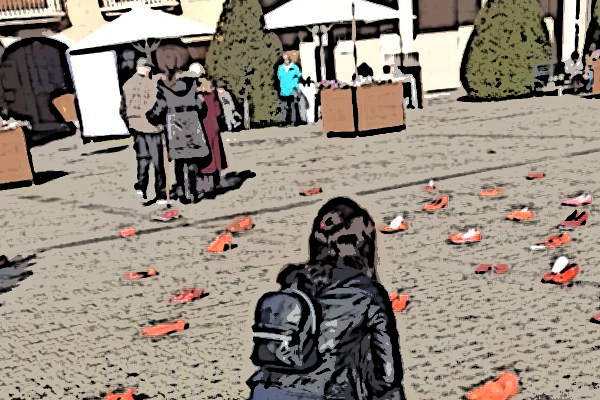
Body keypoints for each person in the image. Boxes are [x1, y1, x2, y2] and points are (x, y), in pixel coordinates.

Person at [247, 197, 407, 400]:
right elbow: (387, 376)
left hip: (264, 391)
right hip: (321, 395)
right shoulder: (369, 292)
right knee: (391, 393)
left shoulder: (293, 283)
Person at [146, 65, 211, 205]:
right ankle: (193, 192)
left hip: (175, 130)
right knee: (192, 160)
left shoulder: (165, 90)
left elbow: (157, 111)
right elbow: (202, 108)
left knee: (179, 162)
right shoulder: (193, 88)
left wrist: (151, 117)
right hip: (193, 127)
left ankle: (182, 193)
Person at [119, 57, 167, 204]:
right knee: (158, 163)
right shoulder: (152, 84)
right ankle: (161, 194)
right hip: (152, 127)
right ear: (147, 69)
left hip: (136, 127)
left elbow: (122, 110)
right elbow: (160, 105)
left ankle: (141, 188)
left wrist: (130, 124)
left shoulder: (127, 85)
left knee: (142, 159)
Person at [198, 78, 228, 198]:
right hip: (213, 127)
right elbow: (218, 112)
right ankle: (216, 182)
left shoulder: (198, 97)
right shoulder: (213, 95)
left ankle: (207, 186)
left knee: (206, 157)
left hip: (202, 128)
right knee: (216, 155)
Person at [277, 53, 302, 126]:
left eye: (287, 58)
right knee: (283, 106)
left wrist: (294, 83)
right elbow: (279, 77)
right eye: (284, 59)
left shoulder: (294, 67)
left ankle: (293, 121)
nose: (286, 60)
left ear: (289, 58)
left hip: (292, 89)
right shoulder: (281, 68)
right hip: (284, 89)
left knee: (293, 105)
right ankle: (283, 121)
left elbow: (299, 75)